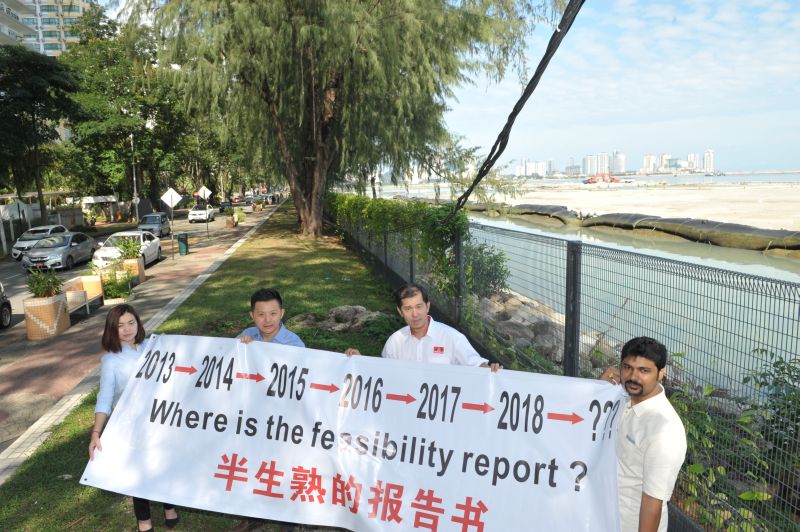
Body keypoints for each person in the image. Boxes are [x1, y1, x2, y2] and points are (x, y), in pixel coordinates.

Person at [89, 304, 179, 532]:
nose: (127, 329)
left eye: (131, 323)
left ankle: (170, 507)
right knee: (141, 469)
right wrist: (96, 432)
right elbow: (105, 398)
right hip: (131, 426)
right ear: (112, 329)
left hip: (161, 418)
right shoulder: (111, 360)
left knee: (164, 463)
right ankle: (144, 519)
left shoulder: (154, 346)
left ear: (138, 323)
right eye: (120, 325)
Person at [599, 337, 687, 532]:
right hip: (599, 516)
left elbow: (652, 503)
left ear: (661, 373)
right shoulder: (620, 396)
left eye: (644, 370)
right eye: (627, 367)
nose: (633, 377)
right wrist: (599, 389)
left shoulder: (664, 430)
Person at [346, 283, 501, 371]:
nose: (415, 314)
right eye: (408, 309)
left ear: (427, 306)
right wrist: (359, 362)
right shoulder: (395, 341)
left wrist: (491, 369)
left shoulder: (452, 338)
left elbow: (477, 366)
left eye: (419, 306)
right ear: (400, 312)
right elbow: (383, 375)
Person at [237, 288, 304, 347]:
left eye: (273, 313)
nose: (267, 320)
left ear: (281, 313)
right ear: (252, 316)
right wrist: (239, 345)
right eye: (261, 314)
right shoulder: (247, 334)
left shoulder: (294, 344)